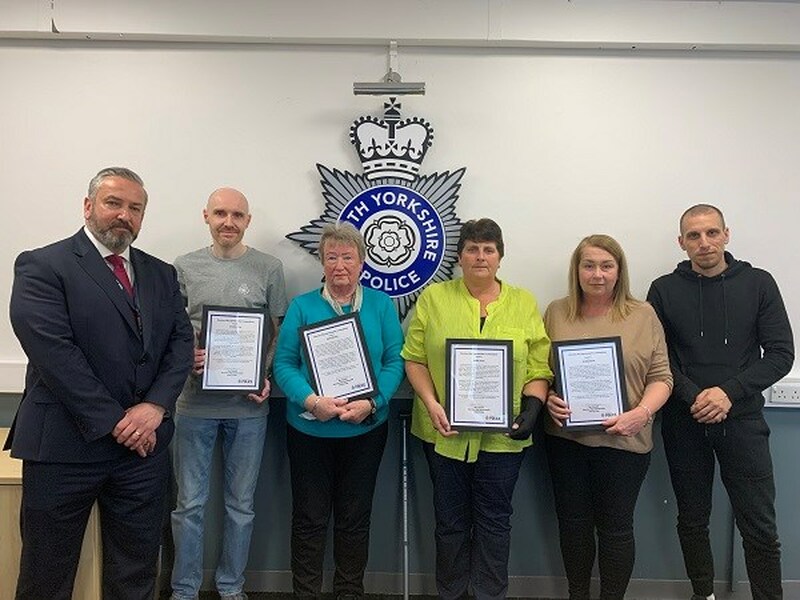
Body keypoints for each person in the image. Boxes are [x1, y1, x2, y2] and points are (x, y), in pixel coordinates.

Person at [5, 167, 194, 600]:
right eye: (114, 203)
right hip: (64, 448)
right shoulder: (42, 265)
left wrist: (155, 408)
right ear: (88, 206)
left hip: (143, 453)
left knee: (135, 573)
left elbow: (180, 345)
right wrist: (118, 422)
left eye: (135, 208)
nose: (124, 215)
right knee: (46, 576)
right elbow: (56, 354)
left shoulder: (160, 274)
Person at [647, 204, 794, 600]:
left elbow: (781, 353)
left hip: (743, 421)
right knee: (692, 520)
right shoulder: (662, 290)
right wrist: (697, 397)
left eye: (712, 233)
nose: (704, 243)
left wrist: (728, 393)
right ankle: (703, 595)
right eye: (693, 236)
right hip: (684, 420)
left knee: (759, 525)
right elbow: (659, 360)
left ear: (727, 234)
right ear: (681, 243)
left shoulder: (759, 283)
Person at [401, 218, 553, 600]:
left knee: (495, 522)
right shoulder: (433, 299)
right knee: (449, 523)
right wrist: (431, 403)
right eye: (472, 248)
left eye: (489, 249)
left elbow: (538, 365)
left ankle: (490, 594)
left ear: (500, 256)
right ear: (460, 256)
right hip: (444, 430)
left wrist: (533, 408)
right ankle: (450, 593)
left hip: (504, 439)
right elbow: (414, 358)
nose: (480, 256)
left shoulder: (523, 302)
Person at [273, 221, 404, 600]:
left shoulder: (381, 305)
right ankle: (306, 593)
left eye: (348, 257)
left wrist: (373, 402)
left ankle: (349, 591)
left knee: (354, 520)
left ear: (362, 262)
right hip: (310, 430)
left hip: (365, 429)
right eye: (332, 257)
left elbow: (395, 360)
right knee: (309, 520)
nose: (340, 265)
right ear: (322, 262)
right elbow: (283, 364)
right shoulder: (302, 306)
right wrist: (312, 401)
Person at [169, 188, 287, 600]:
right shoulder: (184, 267)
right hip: (193, 404)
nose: (228, 222)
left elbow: (278, 331)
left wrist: (264, 374)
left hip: (249, 408)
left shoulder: (269, 268)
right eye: (220, 213)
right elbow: (173, 329)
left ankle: (231, 587)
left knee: (241, 507)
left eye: (237, 214)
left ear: (248, 221)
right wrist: (188, 358)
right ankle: (183, 590)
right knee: (190, 506)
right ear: (206, 216)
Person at [543, 234, 672, 600]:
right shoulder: (556, 312)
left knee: (616, 529)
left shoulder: (642, 313)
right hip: (566, 441)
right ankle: (577, 595)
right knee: (573, 527)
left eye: (606, 265)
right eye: (589, 265)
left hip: (625, 441)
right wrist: (550, 398)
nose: (597, 274)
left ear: (619, 271)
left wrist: (641, 413)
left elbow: (662, 377)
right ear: (577, 270)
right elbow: (541, 371)